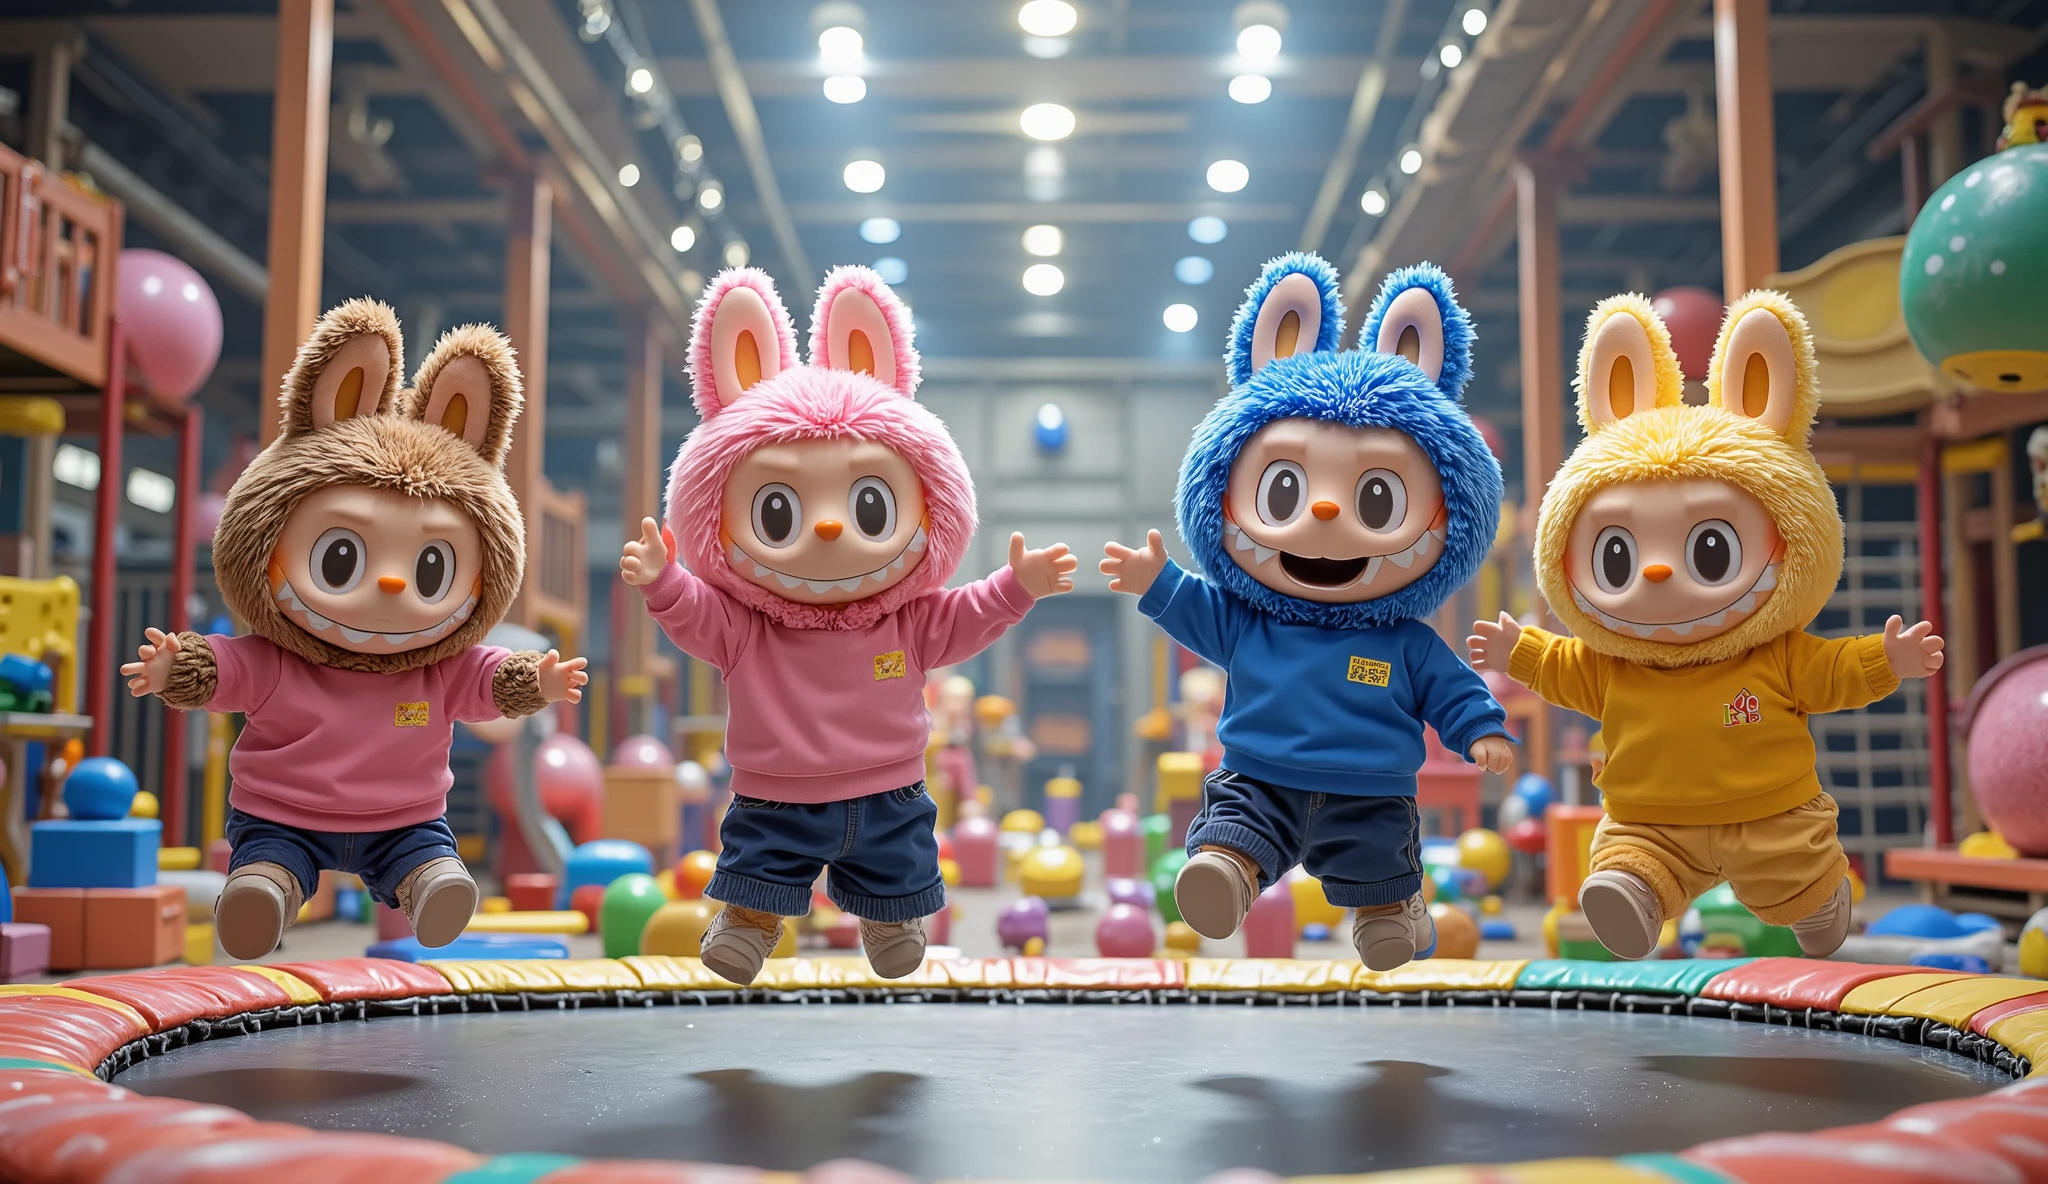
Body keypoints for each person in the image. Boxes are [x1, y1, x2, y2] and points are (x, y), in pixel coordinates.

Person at [621, 266, 1076, 985]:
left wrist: (1016, 588)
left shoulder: (907, 620)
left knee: (899, 867)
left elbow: (966, 614)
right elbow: (698, 617)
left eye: (868, 507)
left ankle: (892, 916)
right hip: (775, 795)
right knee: (757, 866)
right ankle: (748, 921)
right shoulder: (749, 626)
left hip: (889, 792)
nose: (831, 527)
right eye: (780, 510)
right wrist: (664, 582)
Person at [1470, 290, 1943, 959]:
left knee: (1798, 880)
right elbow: (1560, 667)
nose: (1658, 575)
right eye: (1619, 555)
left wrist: (1886, 660)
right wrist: (1517, 652)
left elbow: (1833, 671)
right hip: (1650, 822)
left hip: (1770, 816)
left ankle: (1820, 901)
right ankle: (1632, 901)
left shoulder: (1774, 655)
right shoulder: (1614, 664)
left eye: (1709, 550)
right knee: (1626, 865)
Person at [125, 301, 586, 959]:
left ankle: (431, 889)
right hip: (286, 814)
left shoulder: (435, 667)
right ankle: (266, 893)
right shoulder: (280, 658)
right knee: (270, 862)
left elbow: (487, 679)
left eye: (431, 566)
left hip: (404, 823)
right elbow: (225, 667)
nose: (393, 586)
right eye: (341, 558)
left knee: (429, 860)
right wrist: (179, 668)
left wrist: (532, 680)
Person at [1103, 254, 1514, 971]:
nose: (1324, 511)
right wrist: (1156, 580)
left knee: (1379, 869)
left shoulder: (1403, 642)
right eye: (1286, 490)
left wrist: (1479, 728)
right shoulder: (1249, 621)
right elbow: (1196, 606)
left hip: (1371, 792)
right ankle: (1226, 876)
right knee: (1233, 830)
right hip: (1259, 775)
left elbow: (1452, 686)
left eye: (1377, 499)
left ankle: (1389, 913)